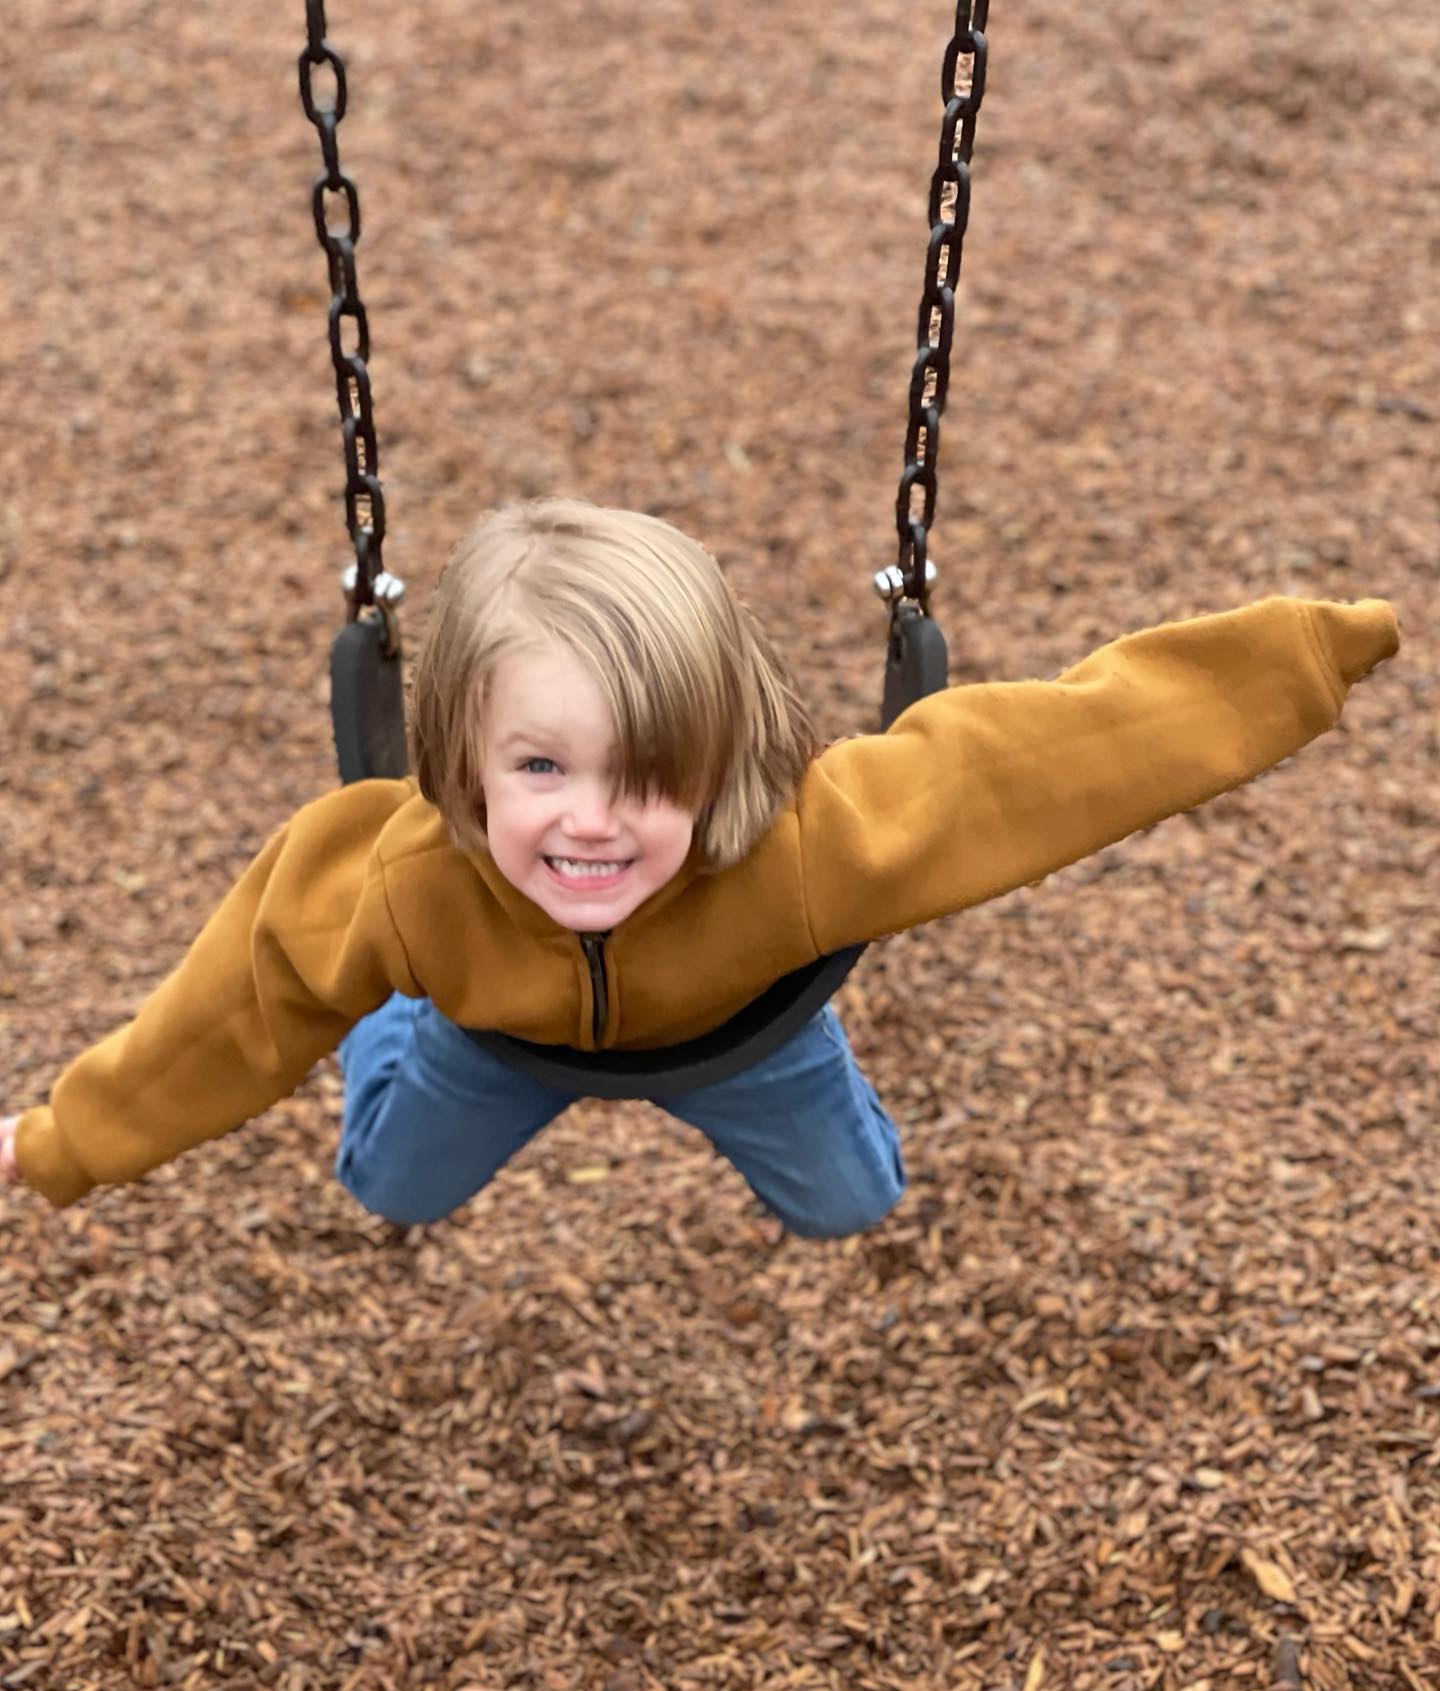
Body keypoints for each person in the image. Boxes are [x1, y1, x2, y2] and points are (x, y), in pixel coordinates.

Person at [0, 498, 1400, 1239]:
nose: (595, 824)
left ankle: (800, 1052)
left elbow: (1051, 758)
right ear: (457, 760)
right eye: (540, 770)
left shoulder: (805, 846)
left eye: (650, 771)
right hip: (490, 1031)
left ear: (724, 757)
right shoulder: (389, 881)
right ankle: (388, 1009)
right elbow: (219, 1022)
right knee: (390, 1188)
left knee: (855, 1206)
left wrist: (1288, 663)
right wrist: (63, 1141)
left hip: (747, 1025)